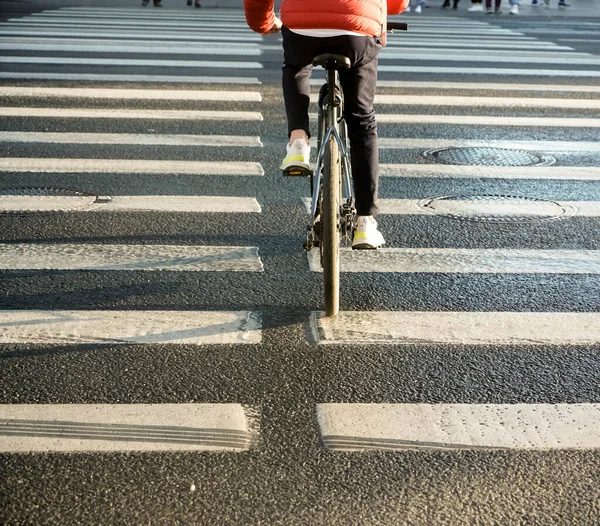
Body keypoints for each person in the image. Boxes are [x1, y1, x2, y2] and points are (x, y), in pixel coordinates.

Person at [244, 0, 409, 249]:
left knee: (296, 67)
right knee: (362, 120)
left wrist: (265, 23)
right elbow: (397, 4)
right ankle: (365, 222)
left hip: (303, 27)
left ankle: (298, 142)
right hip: (356, 30)